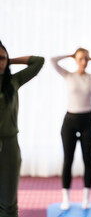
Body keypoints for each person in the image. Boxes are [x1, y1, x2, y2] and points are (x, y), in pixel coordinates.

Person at [51, 48, 91, 210]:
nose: (84, 62)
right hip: (70, 121)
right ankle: (66, 198)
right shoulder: (69, 76)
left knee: (87, 160)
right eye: (81, 59)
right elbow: (52, 60)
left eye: (86, 59)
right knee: (68, 160)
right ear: (75, 60)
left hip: (87, 122)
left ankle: (86, 198)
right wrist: (70, 55)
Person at [0, 40, 44, 217]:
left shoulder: (13, 81)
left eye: (2, 58)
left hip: (9, 146)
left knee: (8, 204)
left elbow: (38, 61)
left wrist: (10, 60)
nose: (0, 62)